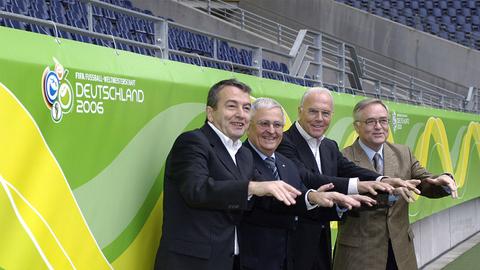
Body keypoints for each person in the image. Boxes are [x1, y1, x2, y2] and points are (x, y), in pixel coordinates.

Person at [155, 79, 302, 270]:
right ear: (210, 112)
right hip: (192, 263)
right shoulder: (192, 142)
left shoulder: (243, 153)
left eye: (246, 108)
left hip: (230, 261)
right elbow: (196, 190)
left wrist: (312, 197)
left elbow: (261, 196)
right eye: (232, 106)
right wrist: (253, 187)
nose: (241, 114)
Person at [277, 87, 414, 270]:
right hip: (293, 246)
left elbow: (348, 169)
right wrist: (359, 186)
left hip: (322, 243)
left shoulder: (328, 145)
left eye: (325, 113)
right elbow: (307, 177)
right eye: (313, 111)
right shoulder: (284, 141)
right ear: (300, 111)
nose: (319, 118)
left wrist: (381, 180)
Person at [239, 98, 376, 270]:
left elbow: (301, 201)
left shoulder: (285, 163)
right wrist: (312, 197)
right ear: (248, 126)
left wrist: (338, 203)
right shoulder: (239, 159)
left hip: (291, 259)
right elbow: (270, 202)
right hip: (254, 261)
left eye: (277, 125)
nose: (271, 131)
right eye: (264, 124)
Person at [333, 98, 458, 270]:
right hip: (360, 254)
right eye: (371, 121)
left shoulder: (403, 153)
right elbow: (344, 201)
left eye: (383, 121)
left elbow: (423, 181)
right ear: (357, 126)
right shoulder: (342, 158)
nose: (378, 126)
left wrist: (441, 180)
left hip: (400, 253)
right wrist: (391, 193)